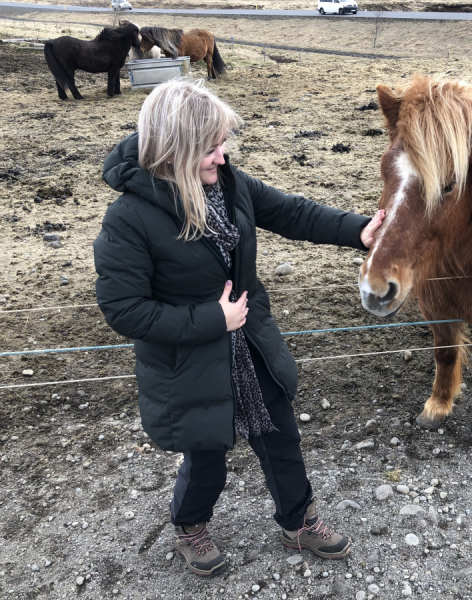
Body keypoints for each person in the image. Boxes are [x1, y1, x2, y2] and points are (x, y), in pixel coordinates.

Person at [94, 79, 384, 576]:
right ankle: (190, 527)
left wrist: (356, 230)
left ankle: (299, 521)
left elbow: (291, 211)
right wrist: (213, 319)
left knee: (282, 438)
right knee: (206, 460)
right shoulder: (128, 219)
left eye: (223, 143)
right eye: (210, 147)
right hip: (188, 363)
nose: (222, 156)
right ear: (175, 149)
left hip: (250, 344)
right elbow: (124, 310)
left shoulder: (229, 185)